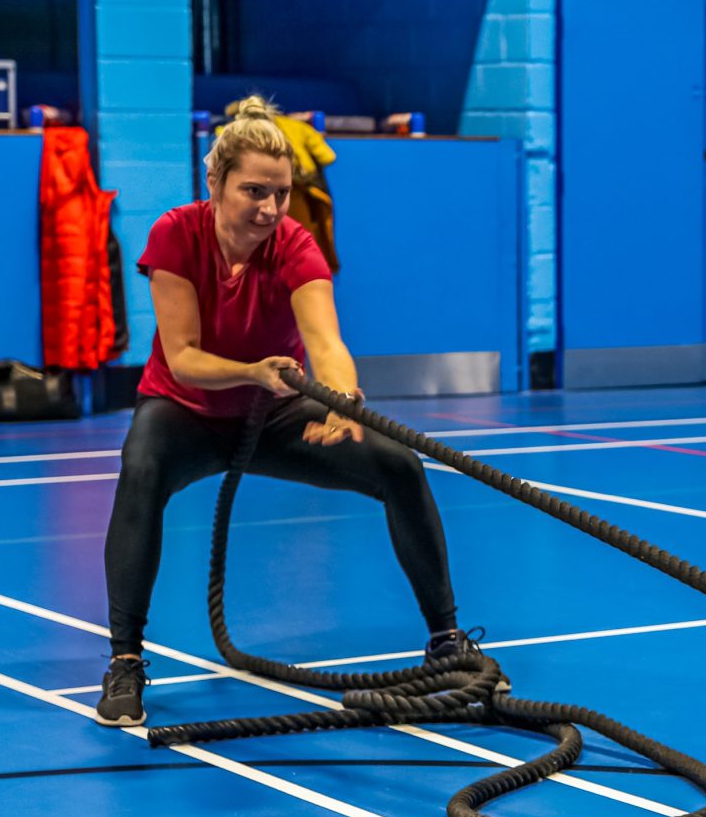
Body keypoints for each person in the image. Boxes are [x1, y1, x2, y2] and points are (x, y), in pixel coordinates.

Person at [95, 97, 461, 725]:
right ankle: (125, 663)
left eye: (282, 193)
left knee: (399, 465)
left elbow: (325, 343)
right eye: (253, 191)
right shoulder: (175, 233)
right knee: (141, 472)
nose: (269, 209)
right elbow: (182, 357)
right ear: (215, 183)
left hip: (275, 415)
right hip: (185, 411)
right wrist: (252, 371)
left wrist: (343, 400)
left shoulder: (295, 244)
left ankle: (448, 642)